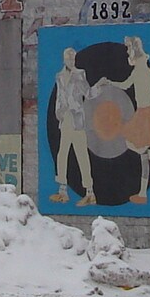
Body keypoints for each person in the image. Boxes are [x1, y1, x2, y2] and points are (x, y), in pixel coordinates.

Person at [121, 34, 150, 204]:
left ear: (133, 50)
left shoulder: (142, 70)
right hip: (143, 113)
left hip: (144, 114)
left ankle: (143, 193)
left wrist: (109, 83)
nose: (127, 52)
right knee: (135, 147)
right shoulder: (142, 70)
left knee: (138, 150)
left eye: (128, 48)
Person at [51, 48, 94, 206]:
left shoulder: (79, 74)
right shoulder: (59, 76)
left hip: (76, 119)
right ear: (64, 59)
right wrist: (58, 112)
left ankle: (89, 191)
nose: (71, 61)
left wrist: (100, 87)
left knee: (81, 154)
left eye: (73, 58)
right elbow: (59, 96)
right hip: (65, 119)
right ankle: (63, 190)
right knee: (62, 154)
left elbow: (88, 93)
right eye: (68, 58)